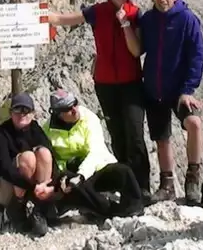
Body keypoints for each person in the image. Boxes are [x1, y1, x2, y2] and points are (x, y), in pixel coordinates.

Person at [44, 0, 151, 201]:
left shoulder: (134, 14)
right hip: (105, 85)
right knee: (117, 135)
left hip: (131, 83)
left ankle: (143, 188)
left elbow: (135, 50)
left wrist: (124, 23)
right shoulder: (98, 11)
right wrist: (42, 16)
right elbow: (66, 19)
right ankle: (125, 184)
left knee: (135, 135)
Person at [124, 0, 203, 205]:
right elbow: (139, 49)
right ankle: (167, 185)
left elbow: (197, 55)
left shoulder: (187, 19)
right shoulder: (149, 20)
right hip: (154, 88)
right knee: (162, 139)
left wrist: (188, 89)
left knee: (194, 124)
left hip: (180, 90)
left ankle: (192, 180)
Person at [42, 89, 145, 218]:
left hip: (96, 168)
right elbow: (52, 160)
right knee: (76, 186)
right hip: (70, 173)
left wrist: (81, 175)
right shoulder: (47, 131)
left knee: (124, 171)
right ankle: (107, 210)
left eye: (75, 104)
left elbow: (95, 151)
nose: (75, 110)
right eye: (68, 108)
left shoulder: (89, 118)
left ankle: (134, 205)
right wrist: (62, 177)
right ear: (58, 113)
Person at [0, 92, 59, 236]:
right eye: (17, 110)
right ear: (10, 113)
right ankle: (17, 209)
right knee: (28, 158)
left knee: (44, 153)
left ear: (33, 113)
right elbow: (4, 168)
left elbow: (51, 156)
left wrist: (51, 185)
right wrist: (32, 186)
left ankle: (40, 208)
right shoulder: (1, 134)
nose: (22, 114)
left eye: (26, 110)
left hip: (28, 186)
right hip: (3, 187)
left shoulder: (35, 129)